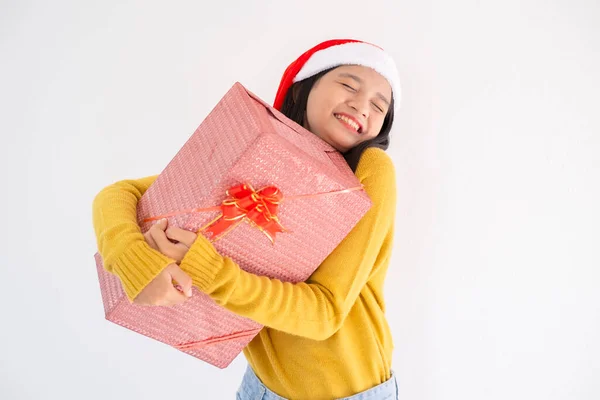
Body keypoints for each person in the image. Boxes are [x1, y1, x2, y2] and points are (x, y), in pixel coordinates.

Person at [92, 38, 402, 400]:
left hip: (347, 392)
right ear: (306, 86)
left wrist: (210, 270)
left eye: (379, 107)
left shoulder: (370, 169)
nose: (361, 106)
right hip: (260, 386)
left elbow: (324, 314)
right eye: (349, 84)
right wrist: (133, 259)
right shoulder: (259, 152)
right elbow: (120, 194)